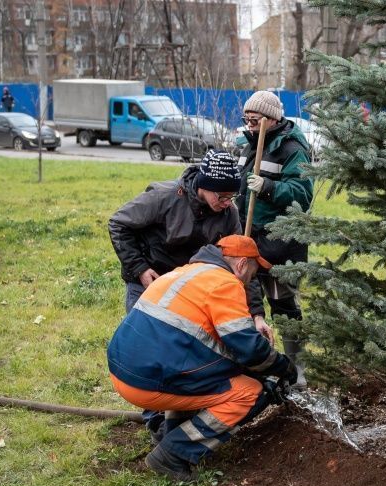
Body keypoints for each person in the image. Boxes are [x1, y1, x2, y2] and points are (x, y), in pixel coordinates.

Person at [108, 150, 275, 439]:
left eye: (230, 198)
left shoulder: (228, 213)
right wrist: (139, 268)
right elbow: (118, 223)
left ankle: (184, 407)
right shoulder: (164, 197)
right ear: (204, 185)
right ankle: (157, 421)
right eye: (221, 196)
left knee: (186, 351)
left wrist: (257, 314)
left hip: (192, 290)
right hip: (151, 281)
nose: (226, 203)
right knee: (152, 349)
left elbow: (241, 262)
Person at [107, 235, 297, 481]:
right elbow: (248, 349)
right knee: (250, 392)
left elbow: (203, 341)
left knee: (204, 372)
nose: (252, 280)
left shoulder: (186, 272)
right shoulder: (226, 284)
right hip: (147, 382)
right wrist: (283, 368)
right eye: (253, 271)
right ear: (240, 265)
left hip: (123, 370)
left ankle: (171, 432)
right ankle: (174, 453)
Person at [236, 90, 313, 386]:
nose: (249, 124)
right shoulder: (251, 144)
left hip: (282, 242)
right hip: (251, 238)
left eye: (254, 119)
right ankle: (258, 364)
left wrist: (268, 186)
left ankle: (298, 370)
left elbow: (302, 196)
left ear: (270, 119)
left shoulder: (291, 148)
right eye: (246, 119)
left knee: (283, 304)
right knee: (246, 299)